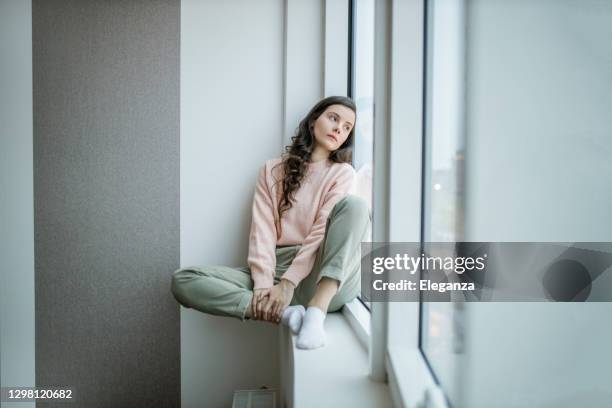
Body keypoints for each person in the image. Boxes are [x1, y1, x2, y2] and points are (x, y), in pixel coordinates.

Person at [171, 96, 371, 350]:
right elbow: (262, 232)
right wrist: (264, 286)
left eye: (346, 128)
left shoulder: (342, 173)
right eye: (334, 118)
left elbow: (321, 230)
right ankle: (287, 314)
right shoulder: (272, 170)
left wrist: (289, 284)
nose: (338, 129)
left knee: (356, 207)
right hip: (277, 270)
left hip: (323, 275)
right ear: (313, 121)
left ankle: (316, 314)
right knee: (184, 280)